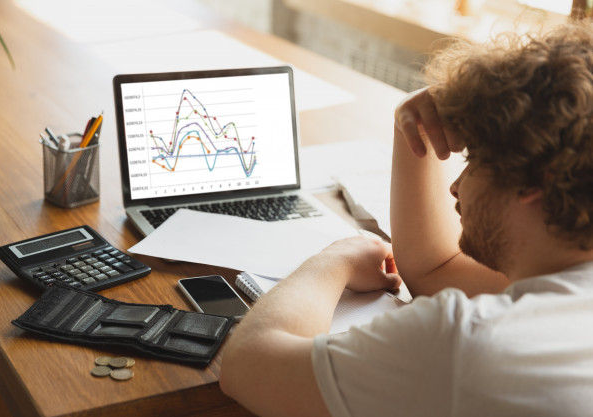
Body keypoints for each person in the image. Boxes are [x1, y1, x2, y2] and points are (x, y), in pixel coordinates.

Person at [219, 21, 593, 417]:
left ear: (534, 181)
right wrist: (413, 128)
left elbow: (248, 365)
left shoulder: (469, 344)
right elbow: (436, 269)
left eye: (475, 159)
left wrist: (333, 260)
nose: (457, 186)